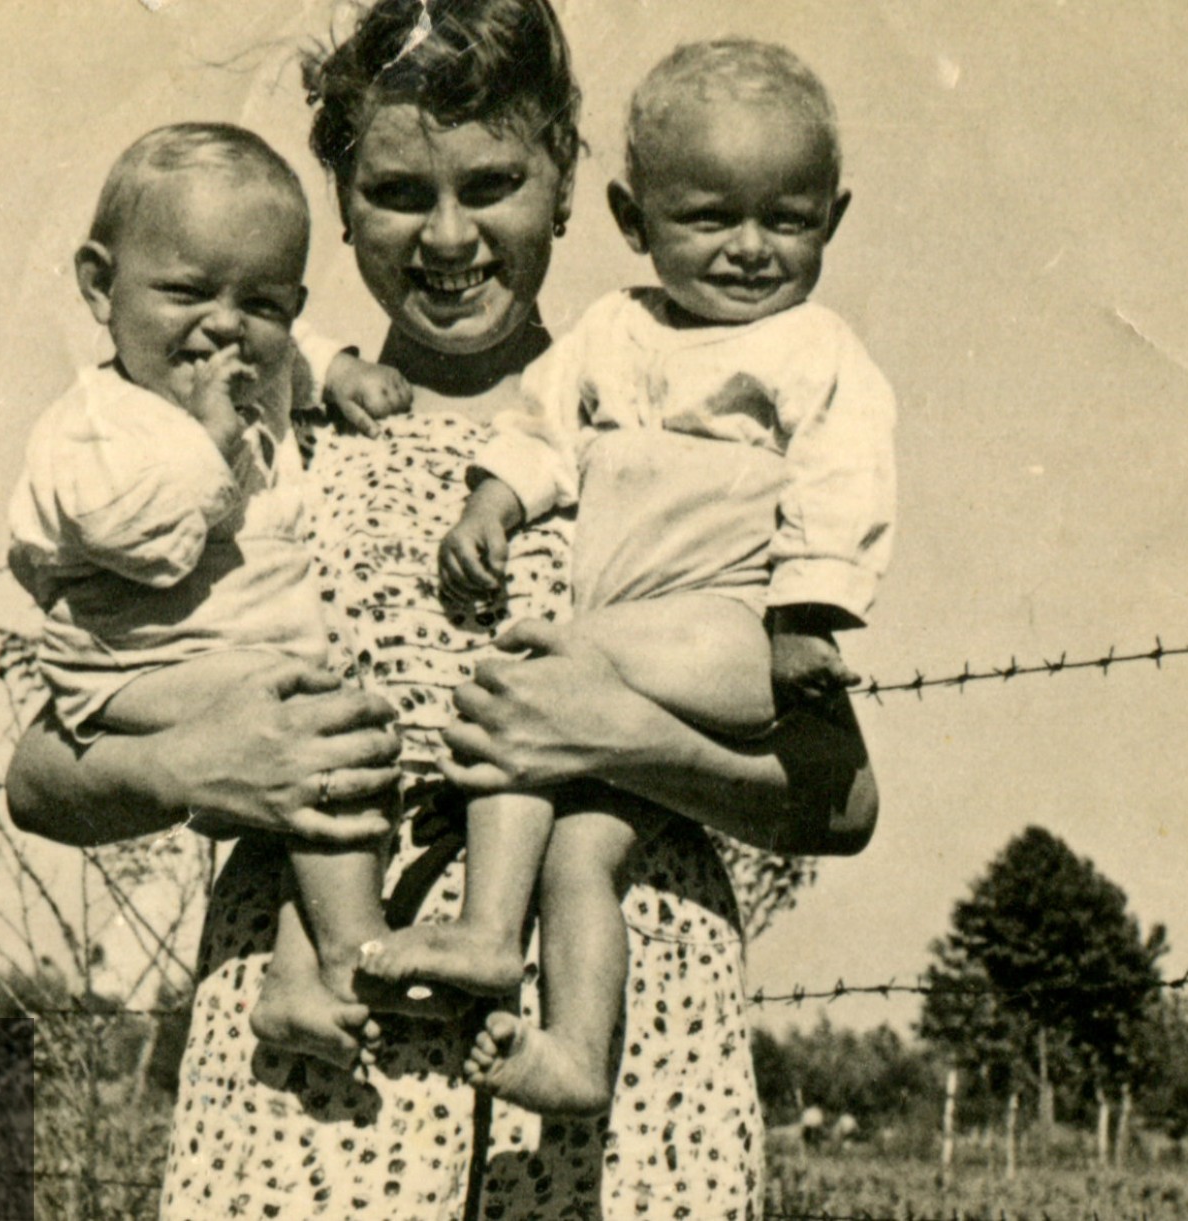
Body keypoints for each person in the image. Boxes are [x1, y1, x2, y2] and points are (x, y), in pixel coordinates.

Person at [5, 1, 879, 1215]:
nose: (450, 235)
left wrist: (625, 742)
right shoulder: (257, 440)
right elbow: (43, 771)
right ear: (341, 202)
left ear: (567, 185)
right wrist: (205, 764)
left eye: (493, 185)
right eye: (400, 193)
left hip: (619, 1059)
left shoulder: (672, 419)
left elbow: (842, 794)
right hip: (322, 1072)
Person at [364, 38, 896, 1118]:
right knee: (581, 854)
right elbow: (541, 433)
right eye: (710, 219)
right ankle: (568, 1048)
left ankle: (485, 929)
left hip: (729, 629)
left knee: (538, 670)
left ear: (832, 220)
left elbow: (845, 479)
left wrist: (805, 613)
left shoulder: (814, 348)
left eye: (786, 222)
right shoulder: (614, 331)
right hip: (633, 642)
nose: (750, 251)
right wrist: (492, 504)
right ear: (632, 217)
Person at [6, 122, 416, 1068]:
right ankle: (356, 954)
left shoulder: (253, 371)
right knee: (323, 736)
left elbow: (292, 353)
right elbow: (140, 544)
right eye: (188, 293)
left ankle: (297, 978)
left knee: (322, 755)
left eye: (261, 303)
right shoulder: (96, 424)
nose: (226, 326)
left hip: (223, 652)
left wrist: (337, 369)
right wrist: (207, 443)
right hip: (139, 662)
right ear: (101, 286)